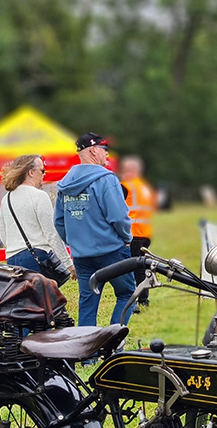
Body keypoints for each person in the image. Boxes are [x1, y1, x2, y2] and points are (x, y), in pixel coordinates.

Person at [55, 132, 135, 328]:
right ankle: (113, 343)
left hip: (82, 256)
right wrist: (127, 238)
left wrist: (74, 242)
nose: (107, 155)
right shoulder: (106, 179)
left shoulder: (65, 183)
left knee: (88, 303)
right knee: (128, 294)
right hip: (111, 252)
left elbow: (59, 221)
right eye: (104, 150)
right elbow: (118, 216)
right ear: (93, 150)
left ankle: (87, 355)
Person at [0, 154, 74, 280]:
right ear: (31, 172)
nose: (44, 174)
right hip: (36, 257)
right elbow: (52, 234)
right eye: (42, 170)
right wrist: (68, 264)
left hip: (12, 260)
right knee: (45, 298)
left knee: (23, 299)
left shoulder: (7, 199)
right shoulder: (39, 196)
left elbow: (3, 234)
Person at [119, 156, 155, 309]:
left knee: (132, 270)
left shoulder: (125, 185)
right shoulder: (145, 186)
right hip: (145, 233)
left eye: (125, 169)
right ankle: (143, 299)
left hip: (131, 233)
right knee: (142, 268)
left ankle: (134, 301)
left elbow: (117, 208)